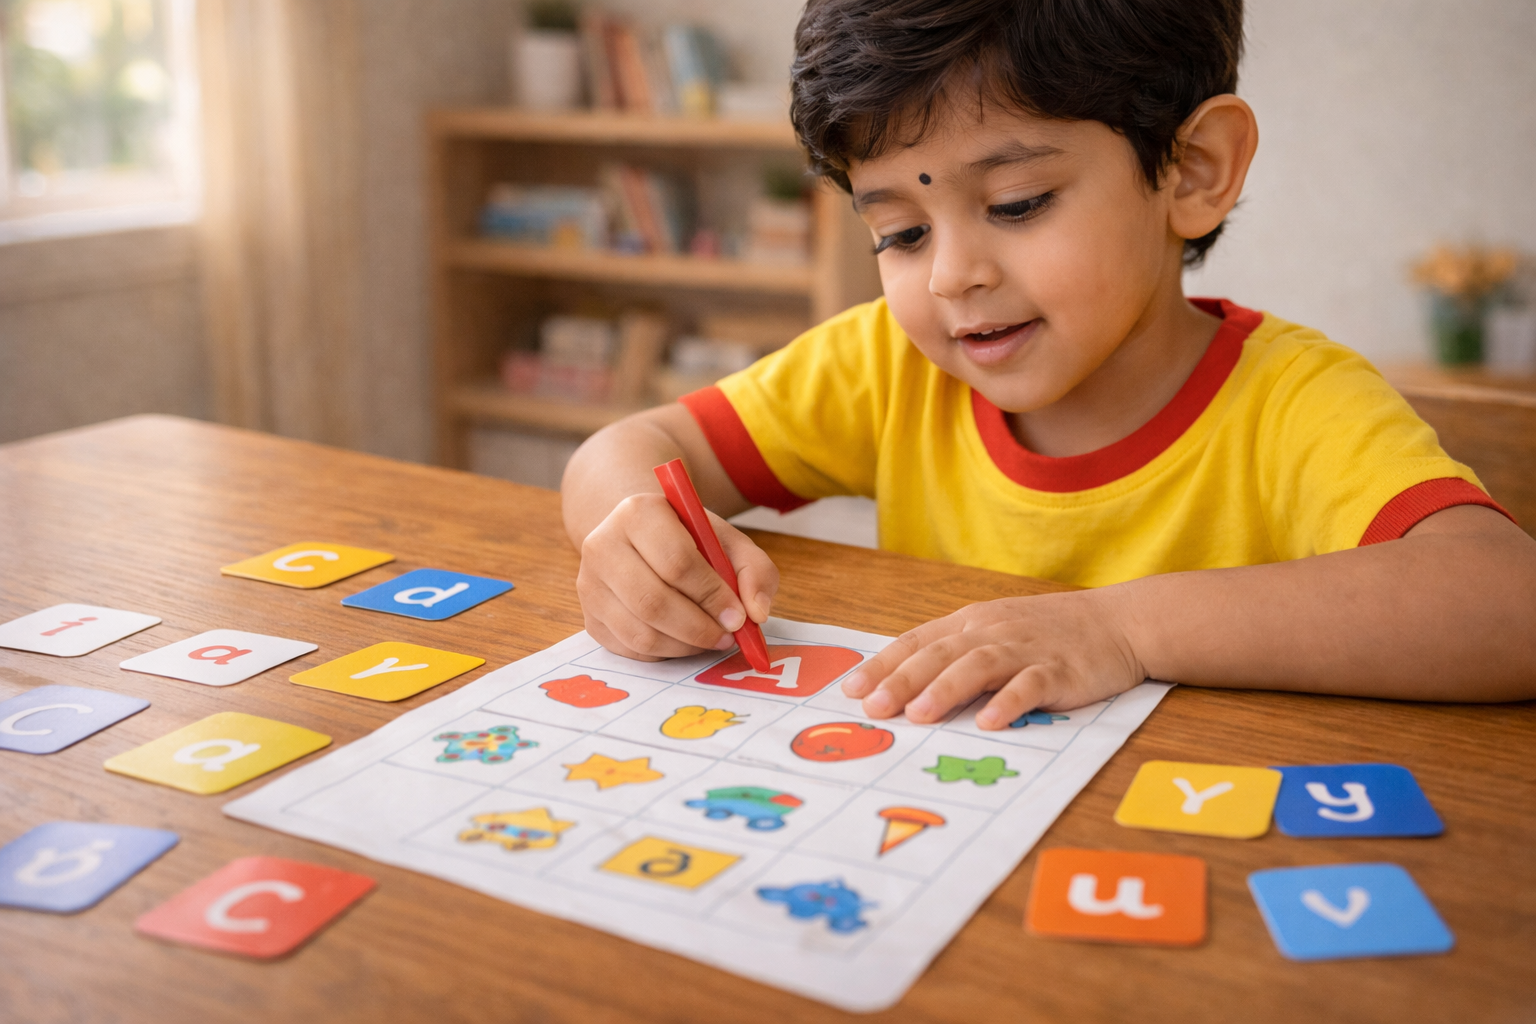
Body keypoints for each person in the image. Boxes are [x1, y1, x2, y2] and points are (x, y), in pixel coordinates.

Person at [560, 0, 1536, 728]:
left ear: (1192, 170)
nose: (952, 276)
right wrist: (631, 533)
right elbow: (632, 444)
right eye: (898, 231)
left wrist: (1123, 630)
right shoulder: (886, 365)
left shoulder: (1289, 402)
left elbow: (1506, 602)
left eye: (1019, 203)